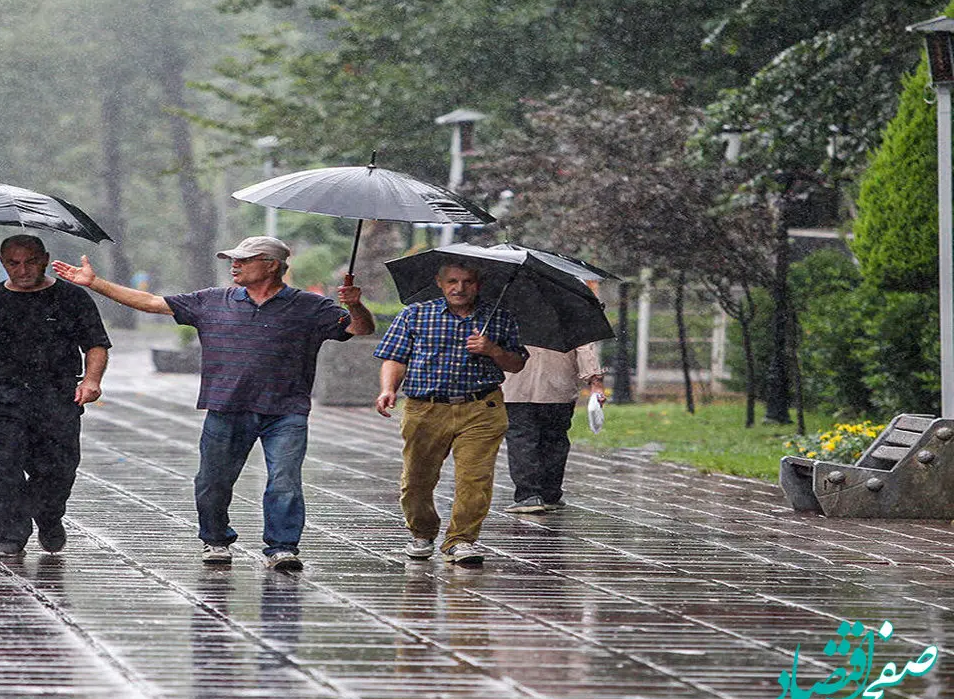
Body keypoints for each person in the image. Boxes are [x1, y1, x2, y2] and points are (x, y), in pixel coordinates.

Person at [52, 235, 375, 570]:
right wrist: (95, 283)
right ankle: (216, 540)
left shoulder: (309, 306)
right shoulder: (212, 301)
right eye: (233, 259)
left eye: (245, 260)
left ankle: (282, 548)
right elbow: (149, 302)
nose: (235, 265)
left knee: (285, 481)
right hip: (226, 407)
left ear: (272, 265)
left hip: (286, 410)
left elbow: (361, 328)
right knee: (213, 481)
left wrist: (353, 304)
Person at [0, 235, 110, 558]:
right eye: (13, 263)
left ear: (45, 259)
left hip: (55, 394)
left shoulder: (71, 298)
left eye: (30, 261)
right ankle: (10, 535)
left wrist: (92, 381)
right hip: (0, 395)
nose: (22, 269)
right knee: (0, 467)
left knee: (58, 468)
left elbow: (96, 344)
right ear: (2, 262)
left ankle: (49, 515)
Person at [373, 260, 528, 565]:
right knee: (417, 478)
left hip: (481, 407)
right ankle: (422, 531)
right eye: (453, 281)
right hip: (426, 408)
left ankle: (461, 539)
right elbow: (394, 357)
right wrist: (388, 388)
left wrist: (493, 350)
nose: (460, 288)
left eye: (468, 282)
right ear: (440, 283)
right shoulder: (415, 314)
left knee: (475, 478)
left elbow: (517, 363)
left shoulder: (498, 318)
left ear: (478, 285)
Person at [501, 343, 606, 513]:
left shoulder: (512, 317)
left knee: (521, 440)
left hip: (517, 386)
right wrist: (595, 381)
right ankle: (550, 493)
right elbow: (585, 346)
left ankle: (529, 495)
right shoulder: (569, 316)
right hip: (557, 386)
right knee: (555, 439)